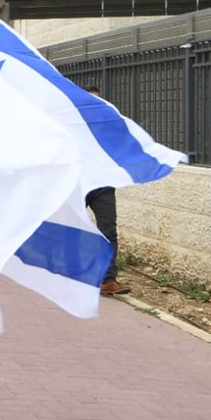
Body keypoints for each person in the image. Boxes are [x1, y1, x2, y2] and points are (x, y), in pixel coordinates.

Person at [85, 85, 129, 296]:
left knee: (108, 229)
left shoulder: (109, 126)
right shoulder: (70, 125)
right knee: (67, 224)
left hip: (103, 184)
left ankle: (108, 279)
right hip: (78, 183)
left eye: (99, 101)